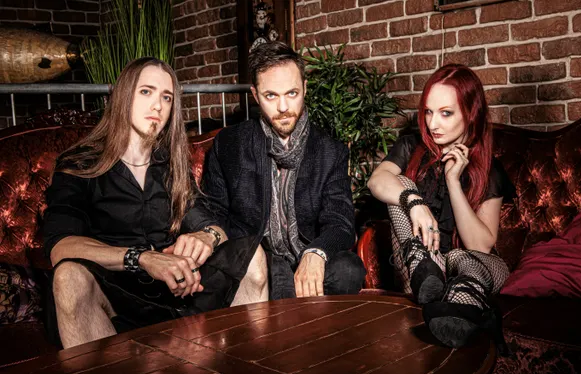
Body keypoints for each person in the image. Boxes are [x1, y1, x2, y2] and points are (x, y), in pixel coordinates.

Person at [44, 57, 266, 349]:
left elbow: (212, 225)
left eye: (166, 97)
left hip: (172, 294)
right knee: (68, 277)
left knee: (252, 255)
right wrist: (142, 258)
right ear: (124, 95)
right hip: (115, 297)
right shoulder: (81, 163)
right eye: (146, 92)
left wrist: (206, 237)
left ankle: (249, 367)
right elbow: (61, 247)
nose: (158, 106)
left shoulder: (170, 164)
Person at [195, 41, 366, 301]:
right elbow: (214, 208)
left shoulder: (330, 151)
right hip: (257, 256)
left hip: (306, 248)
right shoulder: (230, 144)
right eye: (271, 96)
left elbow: (340, 222)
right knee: (278, 276)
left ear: (305, 88)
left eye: (292, 93)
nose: (283, 107)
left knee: (348, 270)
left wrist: (316, 253)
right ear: (255, 95)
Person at [368, 64, 515, 352]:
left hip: (469, 267)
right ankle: (428, 271)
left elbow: (480, 246)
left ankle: (461, 307)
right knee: (401, 184)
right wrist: (415, 203)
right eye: (428, 112)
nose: (433, 123)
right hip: (419, 269)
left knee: (464, 257)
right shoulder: (411, 146)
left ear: (470, 114)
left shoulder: (489, 169)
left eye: (446, 113)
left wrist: (453, 181)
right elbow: (376, 181)